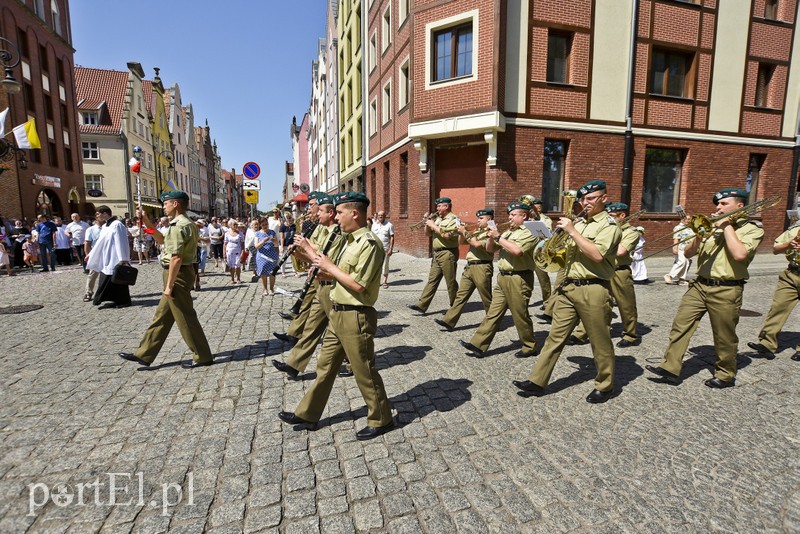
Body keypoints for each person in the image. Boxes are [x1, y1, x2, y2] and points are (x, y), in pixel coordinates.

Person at [278, 191, 394, 440]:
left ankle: (381, 418)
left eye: (340, 213)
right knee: (325, 366)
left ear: (355, 213)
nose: (337, 217)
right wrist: (322, 269)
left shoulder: (369, 244)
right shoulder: (350, 240)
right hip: (338, 312)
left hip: (355, 315)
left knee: (364, 371)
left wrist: (328, 267)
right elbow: (340, 274)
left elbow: (359, 285)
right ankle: (308, 413)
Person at [513, 180, 622, 403]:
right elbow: (563, 254)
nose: (585, 203)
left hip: (594, 288)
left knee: (599, 341)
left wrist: (572, 231)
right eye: (583, 199)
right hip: (569, 286)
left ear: (604, 199)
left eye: (591, 199)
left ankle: (605, 384)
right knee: (555, 337)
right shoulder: (580, 223)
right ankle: (537, 380)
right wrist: (553, 239)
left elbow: (597, 255)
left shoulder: (609, 226)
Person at [646, 187, 764, 388]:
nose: (718, 207)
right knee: (680, 325)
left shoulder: (752, 229)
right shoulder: (712, 226)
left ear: (740, 206)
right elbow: (690, 253)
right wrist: (699, 234)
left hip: (727, 289)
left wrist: (726, 225)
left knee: (724, 335)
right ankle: (670, 368)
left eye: (724, 204)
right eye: (717, 204)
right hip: (699, 285)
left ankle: (725, 374)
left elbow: (740, 255)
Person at [118, 191, 213, 369]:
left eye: (166, 203)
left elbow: (176, 257)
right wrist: (146, 220)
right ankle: (144, 354)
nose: (164, 206)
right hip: (179, 273)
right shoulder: (184, 223)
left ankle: (203, 355)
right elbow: (161, 239)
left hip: (176, 274)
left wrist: (169, 286)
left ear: (175, 204)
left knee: (185, 317)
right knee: (162, 317)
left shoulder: (178, 226)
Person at [272, 194, 345, 377]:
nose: (316, 212)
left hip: (331, 285)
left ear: (331, 213)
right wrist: (299, 254)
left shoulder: (337, 232)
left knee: (341, 330)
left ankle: (354, 363)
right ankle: (294, 364)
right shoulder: (324, 229)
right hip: (320, 282)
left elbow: (321, 259)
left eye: (320, 210)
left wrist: (306, 247)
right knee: (312, 327)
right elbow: (314, 259)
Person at [459, 202, 539, 358]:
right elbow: (490, 249)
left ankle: (530, 346)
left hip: (519, 277)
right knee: (493, 313)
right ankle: (478, 344)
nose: (509, 217)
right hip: (503, 276)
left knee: (520, 314)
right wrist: (490, 237)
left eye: (513, 214)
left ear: (524, 216)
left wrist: (498, 236)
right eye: (509, 214)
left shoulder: (531, 231)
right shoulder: (510, 231)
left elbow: (517, 251)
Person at [569, 202, 641, 348]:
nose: (609, 218)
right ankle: (582, 333)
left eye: (613, 216)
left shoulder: (631, 232)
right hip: (600, 269)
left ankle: (630, 334)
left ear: (622, 215)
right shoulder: (603, 227)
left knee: (626, 304)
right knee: (597, 304)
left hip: (619, 271)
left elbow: (621, 252)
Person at [747, 219, 800, 361]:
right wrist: (789, 245)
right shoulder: (796, 229)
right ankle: (767, 344)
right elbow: (776, 250)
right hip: (792, 274)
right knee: (778, 308)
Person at [435, 208, 495, 331]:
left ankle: (493, 323)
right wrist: (462, 232)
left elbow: (477, 244)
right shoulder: (478, 230)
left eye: (481, 218)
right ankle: (449, 321)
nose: (478, 220)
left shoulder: (491, 232)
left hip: (482, 267)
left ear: (489, 219)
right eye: (478, 218)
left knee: (486, 298)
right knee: (460, 296)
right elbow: (461, 243)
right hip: (470, 266)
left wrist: (466, 232)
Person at [409, 197, 460, 313]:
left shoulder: (454, 219)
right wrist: (427, 222)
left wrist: (433, 225)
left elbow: (448, 235)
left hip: (448, 252)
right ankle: (422, 305)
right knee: (432, 280)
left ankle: (455, 306)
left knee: (450, 281)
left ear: (446, 206)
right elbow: (427, 234)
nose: (437, 208)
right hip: (437, 253)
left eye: (439, 206)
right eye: (437, 206)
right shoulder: (438, 219)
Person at [85, 206, 132, 309]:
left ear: (105, 214)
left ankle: (124, 301)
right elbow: (99, 243)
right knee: (110, 279)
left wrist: (123, 259)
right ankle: (116, 300)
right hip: (107, 257)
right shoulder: (106, 226)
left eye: (98, 214)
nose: (96, 216)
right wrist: (91, 254)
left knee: (118, 280)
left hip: (115, 257)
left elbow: (121, 241)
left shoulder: (117, 224)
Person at [531, 199, 553, 305]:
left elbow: (547, 234)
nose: (536, 210)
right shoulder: (526, 218)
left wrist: (535, 224)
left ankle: (547, 301)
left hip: (538, 251)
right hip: (526, 251)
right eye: (534, 208)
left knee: (542, 278)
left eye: (538, 208)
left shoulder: (546, 219)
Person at [665, 213, 693, 285]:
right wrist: (675, 248)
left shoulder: (690, 227)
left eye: (689, 219)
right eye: (685, 219)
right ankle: (669, 276)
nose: (687, 220)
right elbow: (676, 239)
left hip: (689, 249)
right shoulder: (678, 227)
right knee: (681, 262)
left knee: (686, 263)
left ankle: (681, 279)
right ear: (682, 219)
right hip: (680, 248)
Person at [255, 217, 279, 295]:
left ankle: (271, 289)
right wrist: (263, 241)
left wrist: (274, 240)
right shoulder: (257, 233)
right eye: (263, 225)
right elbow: (256, 246)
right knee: (263, 273)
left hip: (272, 255)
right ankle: (265, 289)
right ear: (260, 225)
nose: (265, 226)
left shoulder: (272, 232)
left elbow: (276, 244)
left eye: (266, 224)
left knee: (272, 273)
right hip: (262, 256)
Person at [371, 211, 395, 288]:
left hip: (385, 248)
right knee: (376, 266)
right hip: (375, 249)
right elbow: (371, 235)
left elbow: (392, 237)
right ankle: (377, 281)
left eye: (382, 215)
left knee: (385, 265)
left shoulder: (389, 225)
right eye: (379, 215)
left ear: (385, 216)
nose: (380, 216)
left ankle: (385, 281)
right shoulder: (374, 225)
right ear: (377, 216)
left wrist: (391, 249)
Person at [83, 213, 103, 302]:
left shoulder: (108, 228)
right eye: (99, 216)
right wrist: (88, 255)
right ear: (96, 218)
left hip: (107, 254)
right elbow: (87, 243)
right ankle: (89, 292)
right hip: (96, 254)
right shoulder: (90, 229)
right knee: (92, 274)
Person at [223, 219, 245, 284]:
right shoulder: (227, 233)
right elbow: (225, 244)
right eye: (234, 224)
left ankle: (238, 278)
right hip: (229, 252)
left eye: (236, 224)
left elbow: (242, 244)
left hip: (237, 251)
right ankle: (232, 278)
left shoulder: (240, 233)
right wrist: (224, 253)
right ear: (230, 225)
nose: (236, 226)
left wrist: (242, 253)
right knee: (231, 266)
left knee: (238, 266)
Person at [279, 211, 296, 277]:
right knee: (284, 259)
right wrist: (282, 246)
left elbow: (295, 235)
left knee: (294, 259)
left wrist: (294, 244)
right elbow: (282, 237)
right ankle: (283, 272)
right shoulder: (282, 226)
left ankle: (295, 271)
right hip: (285, 244)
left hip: (292, 244)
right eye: (288, 218)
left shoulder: (293, 226)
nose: (289, 219)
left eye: (290, 217)